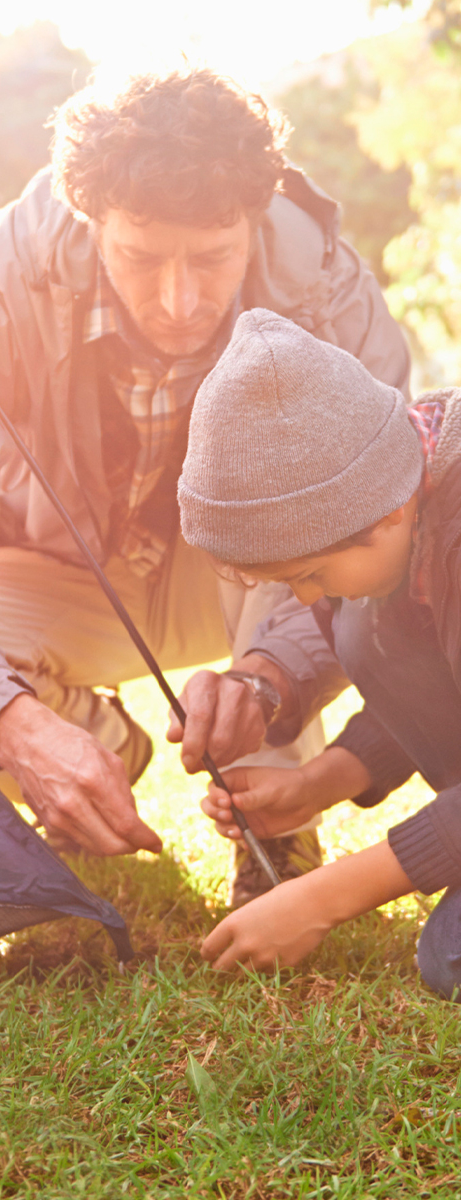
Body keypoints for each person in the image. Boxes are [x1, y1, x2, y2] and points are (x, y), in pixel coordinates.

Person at [0, 65, 411, 904]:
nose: (178, 301)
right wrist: (13, 724)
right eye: (142, 257)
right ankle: (95, 741)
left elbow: (383, 522)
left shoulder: (327, 290)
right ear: (88, 215)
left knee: (307, 523)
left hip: (245, 578)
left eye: (212, 258)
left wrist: (271, 674)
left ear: (253, 218)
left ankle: (273, 823)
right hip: (56, 571)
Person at [177, 307, 461, 996]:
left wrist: (323, 898)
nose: (306, 600)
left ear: (387, 510)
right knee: (362, 629)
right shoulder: (412, 499)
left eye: (310, 574)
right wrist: (316, 784)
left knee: (448, 961)